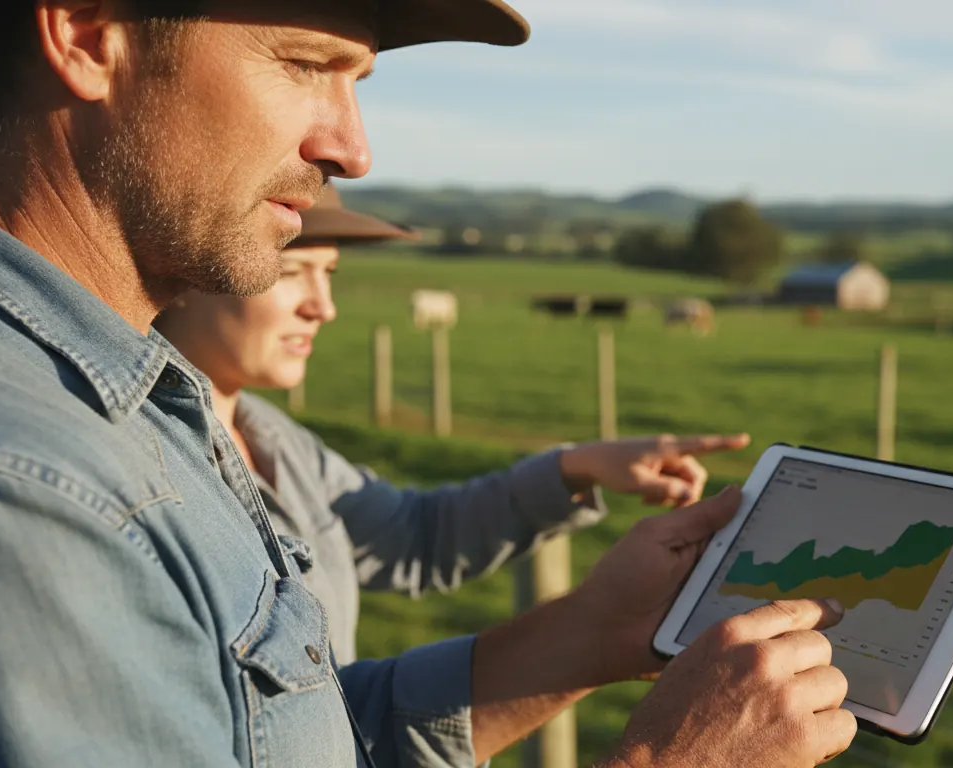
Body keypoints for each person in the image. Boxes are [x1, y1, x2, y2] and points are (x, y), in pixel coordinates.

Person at [0, 3, 859, 768]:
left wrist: (592, 629)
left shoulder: (130, 400)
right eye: (305, 65)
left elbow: (268, 735)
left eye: (358, 81)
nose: (351, 148)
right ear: (86, 35)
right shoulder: (22, 480)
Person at [153, 185, 753, 665]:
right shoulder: (148, 473)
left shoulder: (269, 434)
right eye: (291, 274)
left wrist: (577, 467)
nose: (324, 307)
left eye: (329, 274)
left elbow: (411, 536)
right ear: (180, 277)